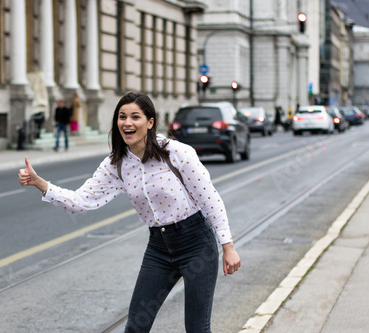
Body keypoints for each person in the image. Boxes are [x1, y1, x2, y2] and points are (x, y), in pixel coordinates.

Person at [18, 92, 241, 332]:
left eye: (136, 117)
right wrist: (39, 182)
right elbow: (80, 201)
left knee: (197, 328)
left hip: (196, 243)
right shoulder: (116, 164)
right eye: (122, 117)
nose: (128, 123)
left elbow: (209, 199)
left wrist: (227, 246)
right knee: (135, 327)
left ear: (150, 122)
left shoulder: (177, 153)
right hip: (159, 248)